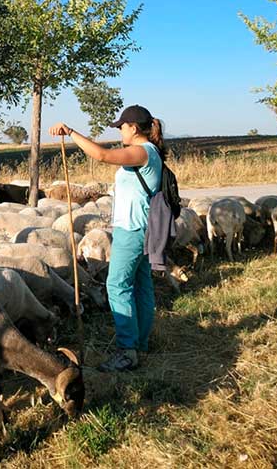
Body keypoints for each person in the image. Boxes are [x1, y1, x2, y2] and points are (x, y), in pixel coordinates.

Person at [48, 104, 165, 372]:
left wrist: (71, 131)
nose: (120, 131)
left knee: (117, 286)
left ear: (133, 128)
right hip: (144, 227)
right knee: (141, 285)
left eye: (122, 126)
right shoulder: (151, 152)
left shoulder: (141, 151)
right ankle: (141, 342)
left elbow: (101, 155)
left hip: (132, 229)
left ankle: (127, 351)